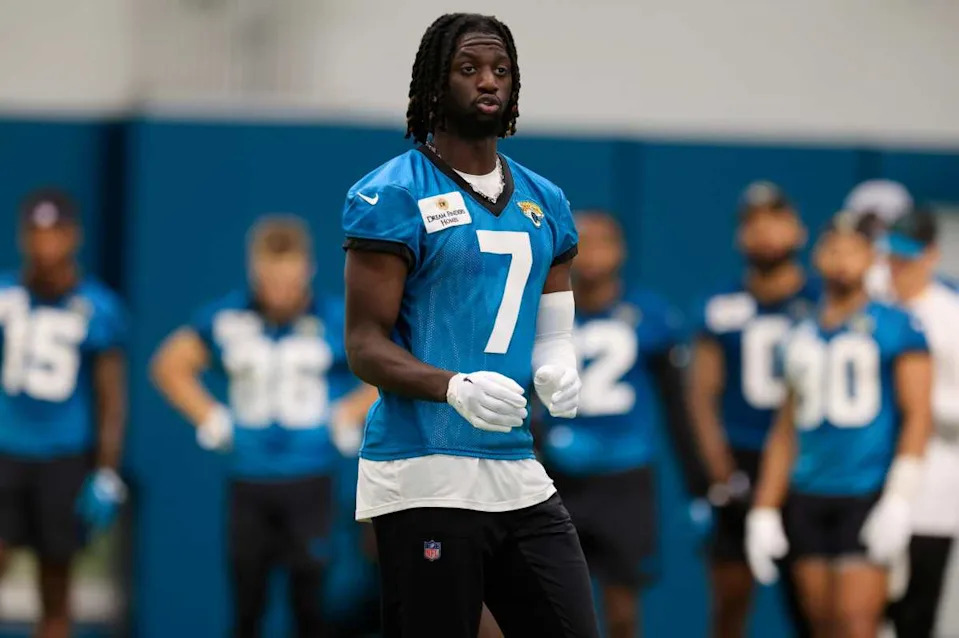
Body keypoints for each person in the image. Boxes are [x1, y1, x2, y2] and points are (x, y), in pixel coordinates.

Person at [340, 13, 599, 638]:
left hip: (515, 468)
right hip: (423, 467)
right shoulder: (392, 194)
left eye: (500, 70)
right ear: (434, 84)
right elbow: (364, 345)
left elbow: (554, 329)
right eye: (469, 68)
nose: (489, 81)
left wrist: (560, 365)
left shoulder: (546, 200)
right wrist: (451, 385)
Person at [150, 216, 376, 638]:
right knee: (247, 605)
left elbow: (388, 369)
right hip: (249, 479)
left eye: (287, 279)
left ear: (307, 268)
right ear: (254, 271)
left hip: (310, 479)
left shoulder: (335, 318)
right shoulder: (227, 317)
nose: (279, 291)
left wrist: (348, 411)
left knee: (309, 605)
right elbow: (169, 364)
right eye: (269, 280)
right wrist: (209, 415)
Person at [746, 211, 933, 638]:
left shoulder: (898, 324)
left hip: (865, 490)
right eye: (833, 248)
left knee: (856, 623)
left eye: (854, 249)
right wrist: (765, 507)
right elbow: (786, 428)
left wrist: (900, 496)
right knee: (821, 623)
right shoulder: (799, 331)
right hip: (809, 490)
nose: (842, 259)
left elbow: (917, 414)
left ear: (872, 258)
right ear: (817, 257)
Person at [538, 210, 704, 638]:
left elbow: (676, 405)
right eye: (582, 240)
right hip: (556, 475)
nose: (591, 252)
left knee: (623, 611)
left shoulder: (648, 314)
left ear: (622, 250)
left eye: (602, 241)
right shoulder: (538, 312)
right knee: (548, 605)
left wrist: (699, 484)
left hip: (625, 477)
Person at [687, 181, 814, 638]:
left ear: (799, 230)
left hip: (808, 464)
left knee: (815, 607)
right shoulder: (721, 306)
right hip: (741, 457)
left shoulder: (822, 301)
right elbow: (701, 394)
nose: (765, 233)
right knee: (730, 604)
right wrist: (720, 471)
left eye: (776, 220)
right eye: (753, 223)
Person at [0, 189, 128, 638]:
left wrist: (107, 471)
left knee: (56, 584)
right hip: (6, 449)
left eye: (54, 235)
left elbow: (110, 394)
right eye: (35, 234)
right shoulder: (5, 295)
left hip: (63, 457)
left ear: (73, 237)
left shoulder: (98, 306)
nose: (44, 246)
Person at [881, 210, 959, 637]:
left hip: (934, 486)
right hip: (871, 480)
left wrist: (919, 404)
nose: (897, 268)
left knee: (916, 613)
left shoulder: (950, 315)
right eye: (891, 256)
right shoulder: (873, 306)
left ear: (931, 256)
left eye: (907, 258)